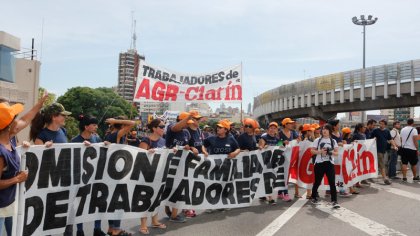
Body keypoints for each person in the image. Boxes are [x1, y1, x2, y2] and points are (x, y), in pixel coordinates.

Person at [0, 94, 48, 236]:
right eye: (14, 117)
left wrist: (40, 103)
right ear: (9, 125)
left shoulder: (8, 138)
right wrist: (17, 179)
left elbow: (26, 118)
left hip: (8, 202)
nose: (18, 119)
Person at [30, 102, 75, 235]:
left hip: (65, 182)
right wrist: (44, 150)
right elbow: (38, 163)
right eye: (62, 115)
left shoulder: (63, 131)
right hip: (49, 184)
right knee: (48, 218)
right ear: (54, 117)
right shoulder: (41, 136)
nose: (65, 118)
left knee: (69, 217)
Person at [71, 115, 105, 236]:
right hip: (81, 179)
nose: (96, 127)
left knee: (98, 202)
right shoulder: (75, 141)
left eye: (96, 124)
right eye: (94, 125)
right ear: (86, 126)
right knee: (80, 204)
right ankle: (80, 231)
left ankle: (97, 228)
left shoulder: (97, 138)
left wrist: (105, 145)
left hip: (96, 177)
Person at [104, 116, 135, 236]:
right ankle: (116, 229)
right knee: (118, 202)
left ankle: (112, 228)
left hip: (112, 172)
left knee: (112, 202)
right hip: (116, 173)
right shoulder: (116, 134)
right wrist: (117, 121)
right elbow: (132, 123)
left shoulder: (110, 134)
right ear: (122, 125)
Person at [165, 112, 198, 223]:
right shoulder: (171, 126)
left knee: (178, 187)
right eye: (186, 122)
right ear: (180, 120)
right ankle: (169, 211)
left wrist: (192, 148)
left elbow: (189, 145)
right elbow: (175, 128)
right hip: (169, 162)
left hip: (181, 164)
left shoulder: (186, 133)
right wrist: (188, 117)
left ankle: (174, 215)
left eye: (189, 123)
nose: (187, 125)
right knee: (168, 188)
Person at [202, 119, 240, 212]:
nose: (218, 129)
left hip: (226, 168)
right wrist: (204, 151)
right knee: (212, 185)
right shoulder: (211, 138)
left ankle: (222, 204)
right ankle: (209, 205)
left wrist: (234, 153)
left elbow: (238, 148)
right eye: (217, 127)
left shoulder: (231, 139)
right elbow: (203, 145)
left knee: (224, 185)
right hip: (213, 167)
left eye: (220, 127)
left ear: (226, 130)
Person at [138, 119, 167, 235]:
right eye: (161, 126)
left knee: (156, 198)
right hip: (146, 174)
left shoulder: (163, 140)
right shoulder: (146, 140)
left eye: (164, 126)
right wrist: (147, 152)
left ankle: (155, 220)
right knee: (145, 199)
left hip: (159, 174)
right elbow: (139, 156)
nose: (163, 128)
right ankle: (143, 225)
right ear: (154, 128)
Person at [310, 124, 340, 209]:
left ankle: (334, 200)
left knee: (332, 182)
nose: (324, 131)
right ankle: (313, 197)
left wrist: (330, 152)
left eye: (326, 129)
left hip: (330, 163)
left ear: (330, 131)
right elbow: (312, 151)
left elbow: (337, 153)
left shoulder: (333, 141)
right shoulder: (317, 140)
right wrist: (320, 152)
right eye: (323, 129)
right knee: (317, 182)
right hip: (319, 163)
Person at [258, 122, 280, 205]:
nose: (272, 129)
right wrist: (263, 147)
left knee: (269, 179)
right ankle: (270, 198)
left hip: (273, 163)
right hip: (264, 162)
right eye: (271, 128)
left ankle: (263, 194)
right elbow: (260, 147)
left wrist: (285, 145)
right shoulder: (264, 137)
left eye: (274, 128)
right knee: (267, 179)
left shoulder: (277, 139)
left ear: (276, 130)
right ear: (268, 129)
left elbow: (282, 148)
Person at [277, 118, 299, 202]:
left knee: (286, 174)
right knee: (283, 174)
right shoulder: (279, 134)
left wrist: (297, 140)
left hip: (290, 158)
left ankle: (280, 192)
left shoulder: (293, 133)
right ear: (285, 124)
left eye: (291, 123)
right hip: (282, 157)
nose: (291, 125)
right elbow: (277, 143)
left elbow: (297, 141)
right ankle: (285, 193)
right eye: (289, 123)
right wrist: (283, 143)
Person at [371, 119, 396, 185]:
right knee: (382, 164)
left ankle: (372, 176)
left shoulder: (387, 131)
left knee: (379, 164)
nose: (380, 125)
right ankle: (385, 178)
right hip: (377, 150)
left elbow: (390, 139)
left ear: (385, 125)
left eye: (382, 124)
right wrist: (373, 139)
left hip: (383, 150)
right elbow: (370, 138)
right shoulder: (375, 130)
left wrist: (394, 146)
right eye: (380, 123)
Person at [399, 118, 419, 182]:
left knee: (404, 163)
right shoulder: (414, 130)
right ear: (413, 123)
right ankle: (415, 177)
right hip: (412, 149)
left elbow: (401, 139)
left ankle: (404, 177)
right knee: (413, 164)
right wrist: (417, 149)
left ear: (407, 122)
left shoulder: (402, 129)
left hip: (404, 148)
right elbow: (415, 140)